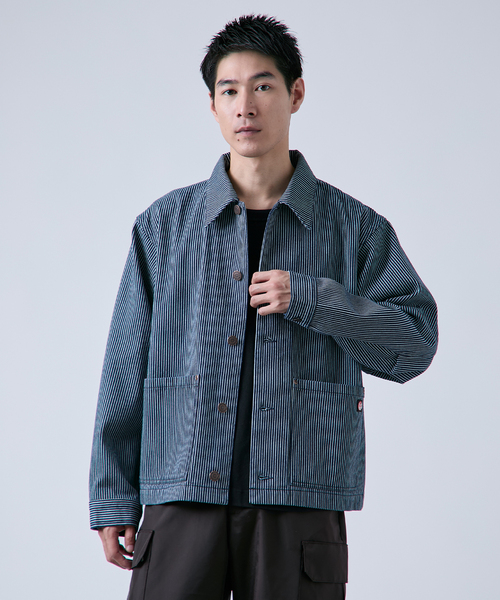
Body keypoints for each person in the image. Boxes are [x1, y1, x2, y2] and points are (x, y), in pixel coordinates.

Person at [89, 14, 438, 600]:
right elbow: (125, 369)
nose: (245, 106)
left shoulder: (353, 228)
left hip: (298, 503)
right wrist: (112, 496)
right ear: (213, 106)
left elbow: (415, 345)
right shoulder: (164, 229)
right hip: (181, 495)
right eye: (229, 91)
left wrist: (315, 300)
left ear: (296, 94)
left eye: (263, 86)